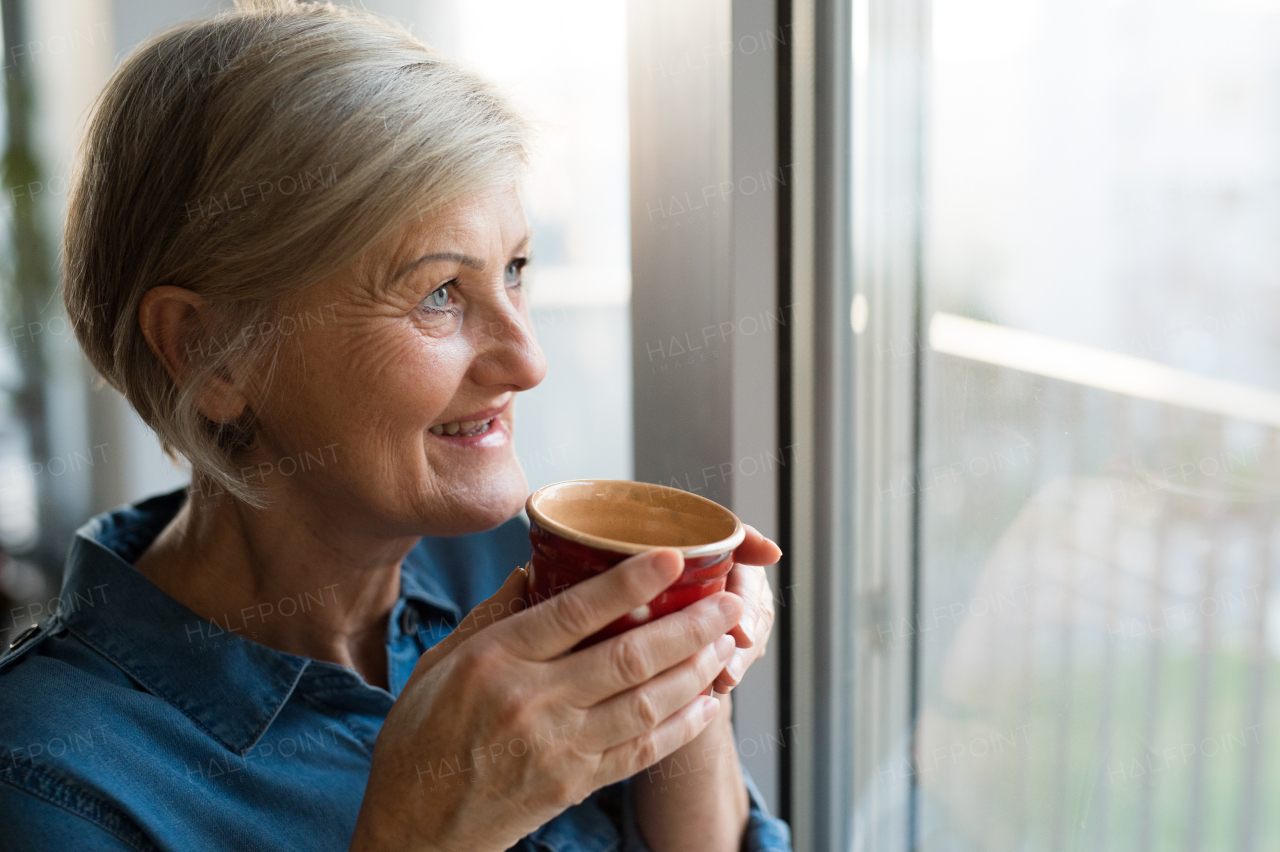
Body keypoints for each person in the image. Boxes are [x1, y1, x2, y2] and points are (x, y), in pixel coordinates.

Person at [0, 2, 791, 850]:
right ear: (211, 355)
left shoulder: (520, 568)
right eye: (438, 293)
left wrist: (683, 670)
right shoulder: (48, 780)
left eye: (515, 270)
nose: (528, 362)